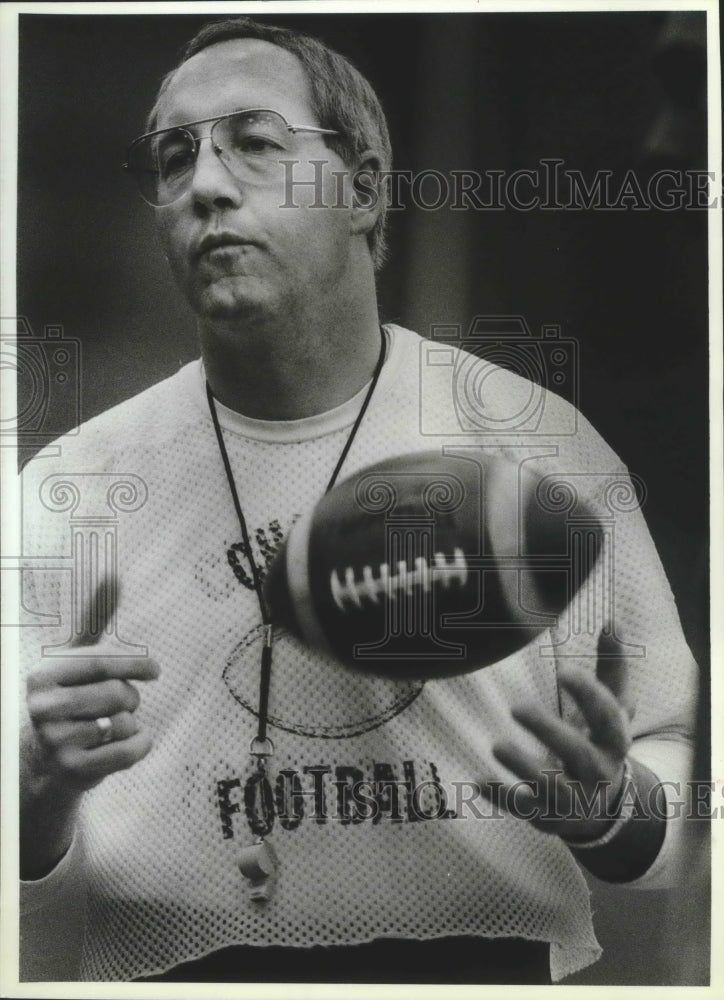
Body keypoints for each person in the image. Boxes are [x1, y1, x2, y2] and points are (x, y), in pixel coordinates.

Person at [18, 16, 698, 985]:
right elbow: (15, 882)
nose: (205, 184)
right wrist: (37, 787)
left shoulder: (535, 446)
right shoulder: (71, 490)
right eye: (173, 157)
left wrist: (610, 808)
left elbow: (677, 783)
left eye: (253, 142)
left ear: (365, 187)